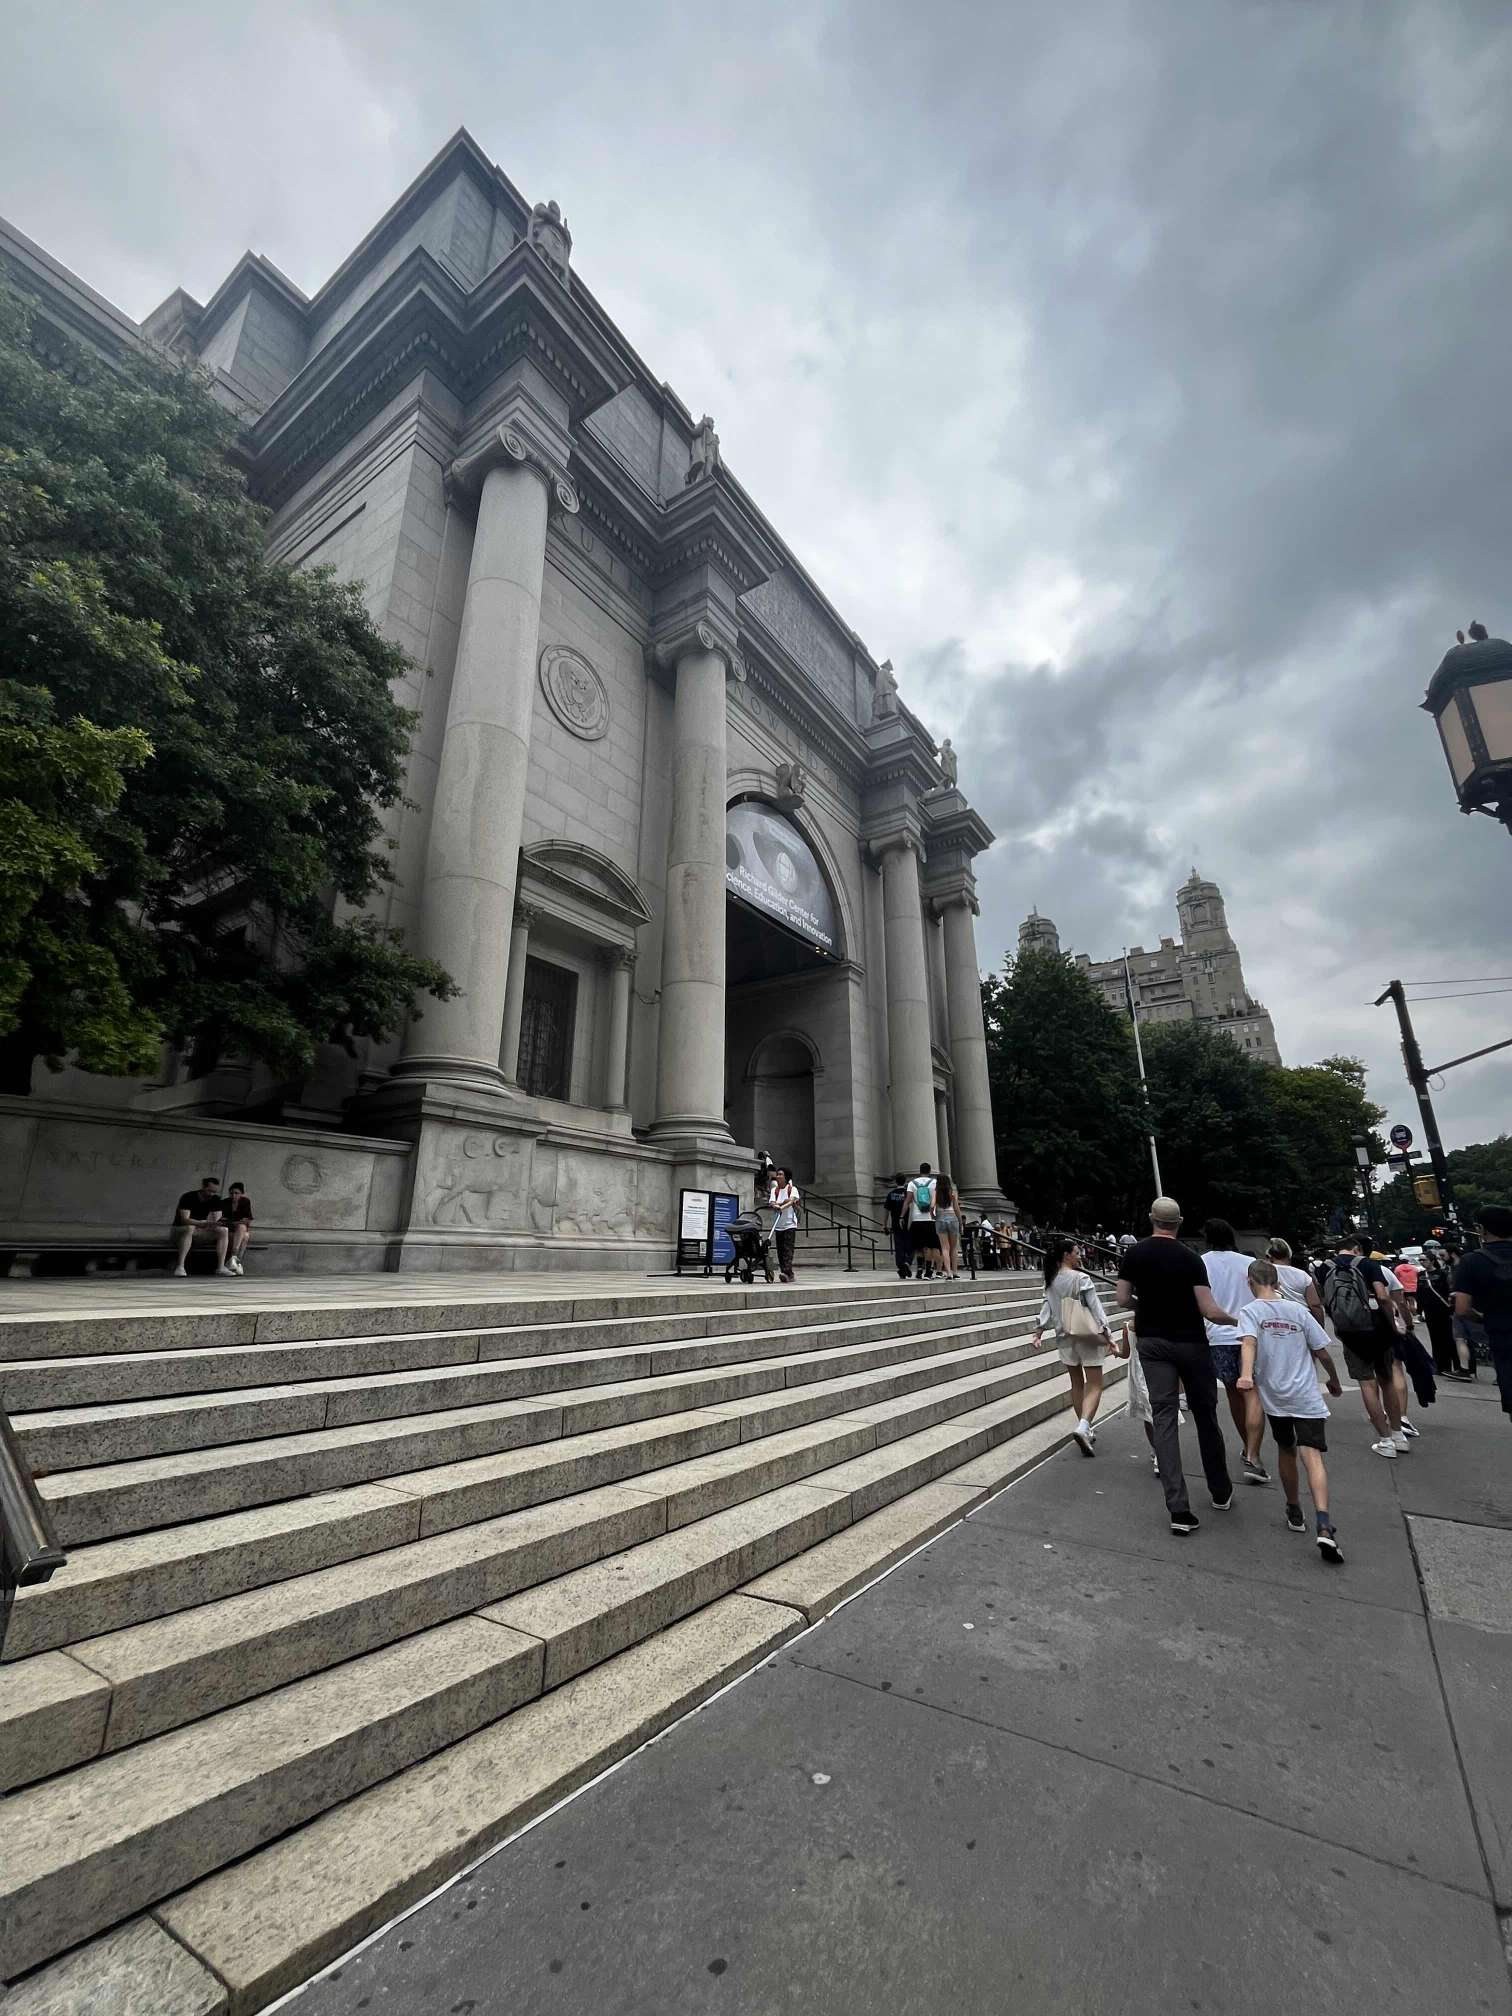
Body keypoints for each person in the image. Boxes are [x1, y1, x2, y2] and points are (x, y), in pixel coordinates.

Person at [1116, 1197, 1239, 1536]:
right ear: (1179, 1222)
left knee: (1164, 1418)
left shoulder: (1134, 1254)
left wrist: (1148, 1305)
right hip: (1191, 1342)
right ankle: (1220, 1490)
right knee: (1206, 1415)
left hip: (1153, 1342)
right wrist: (1237, 1320)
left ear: (1151, 1218)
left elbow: (1123, 1299)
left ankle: (1178, 1508)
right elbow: (1208, 1309)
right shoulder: (1191, 1258)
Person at [1236, 1260, 1345, 1565]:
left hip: (1276, 1397)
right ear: (1278, 1283)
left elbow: (1248, 1343)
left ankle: (1294, 1507)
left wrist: (1246, 1374)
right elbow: (1322, 1351)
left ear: (1249, 1283)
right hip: (1306, 1395)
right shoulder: (1298, 1311)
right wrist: (1334, 1380)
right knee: (1313, 1456)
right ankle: (1324, 1522)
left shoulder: (1250, 1312)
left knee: (1286, 1449)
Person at [1318, 1235, 1406, 1457]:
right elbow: (1383, 1297)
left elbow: (1323, 1300)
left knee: (1367, 1384)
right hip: (1378, 1330)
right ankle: (1398, 1435)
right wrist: (1395, 1324)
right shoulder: (1369, 1264)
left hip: (1350, 1334)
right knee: (1387, 1381)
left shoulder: (1323, 1268)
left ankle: (1385, 1441)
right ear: (1356, 1249)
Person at [1031, 1235, 1115, 1456]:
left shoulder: (1050, 1280)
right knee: (1095, 1384)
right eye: (1077, 1253)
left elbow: (1046, 1308)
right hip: (1086, 1334)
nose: (1080, 1256)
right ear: (1066, 1255)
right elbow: (1095, 1308)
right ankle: (1084, 1426)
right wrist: (1108, 1334)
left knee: (1076, 1383)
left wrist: (1038, 1331)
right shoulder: (1081, 1278)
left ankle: (1084, 1427)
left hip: (1064, 1335)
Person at [1201, 1219, 1270, 1485]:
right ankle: (1253, 1453)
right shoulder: (1248, 1263)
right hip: (1249, 1333)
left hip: (1218, 1335)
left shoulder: (1202, 1262)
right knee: (1253, 1394)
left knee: (1233, 1393)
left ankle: (1245, 1444)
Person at [1453, 1205, 1512, 1423]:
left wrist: (1482, 1317)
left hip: (1502, 1333)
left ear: (1481, 1230)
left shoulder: (1472, 1261)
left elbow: (1462, 1308)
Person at [1419, 1242, 1465, 1378]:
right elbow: (1419, 1292)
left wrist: (1450, 1307)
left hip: (1443, 1310)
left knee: (1448, 1338)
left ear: (1431, 1260)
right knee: (1435, 1338)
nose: (1422, 1262)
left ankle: (1456, 1366)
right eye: (1420, 1260)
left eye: (1424, 1260)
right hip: (1429, 1311)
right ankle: (1439, 1365)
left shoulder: (1442, 1274)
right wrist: (1419, 1309)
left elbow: (1447, 1290)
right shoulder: (1420, 1275)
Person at [172, 1175, 232, 1278]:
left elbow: (217, 1220)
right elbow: (185, 1220)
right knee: (190, 1227)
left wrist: (217, 1223)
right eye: (209, 1191)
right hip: (180, 1230)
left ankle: (221, 1267)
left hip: (200, 1230)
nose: (212, 1194)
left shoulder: (215, 1199)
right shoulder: (188, 1197)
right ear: (203, 1187)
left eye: (214, 1191)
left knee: (223, 1230)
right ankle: (180, 1266)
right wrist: (201, 1223)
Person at [1266, 1238, 1329, 1325]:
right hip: (1302, 1320)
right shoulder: (1302, 1275)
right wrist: (1320, 1326)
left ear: (1269, 1255)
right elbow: (1315, 1304)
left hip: (1275, 1321)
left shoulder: (1264, 1273)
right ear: (1289, 1254)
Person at [903, 1163, 941, 1279]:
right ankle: (928, 1271)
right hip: (930, 1219)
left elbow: (907, 1201)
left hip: (916, 1218)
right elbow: (937, 1200)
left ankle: (919, 1270)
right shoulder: (934, 1182)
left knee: (918, 1246)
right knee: (929, 1246)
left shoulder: (912, 1183)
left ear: (920, 1171)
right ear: (929, 1171)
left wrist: (901, 1216)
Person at [767, 1167, 801, 1284]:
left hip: (789, 1224)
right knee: (780, 1250)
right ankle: (787, 1273)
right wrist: (777, 1205)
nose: (778, 1176)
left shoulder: (792, 1189)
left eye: (781, 1174)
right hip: (778, 1224)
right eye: (778, 1174)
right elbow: (772, 1202)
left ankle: (787, 1273)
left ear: (786, 1177)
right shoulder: (774, 1190)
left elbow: (791, 1201)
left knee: (787, 1249)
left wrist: (780, 1206)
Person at [882, 1174, 912, 1281]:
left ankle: (901, 1266)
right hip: (908, 1223)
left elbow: (886, 1211)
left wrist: (884, 1224)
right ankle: (907, 1262)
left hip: (895, 1223)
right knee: (911, 1245)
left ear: (895, 1182)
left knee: (899, 1246)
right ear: (905, 1181)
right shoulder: (908, 1193)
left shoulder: (891, 1194)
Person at [935, 1173, 964, 1280]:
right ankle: (955, 1272)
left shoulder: (936, 1192)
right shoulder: (952, 1192)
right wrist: (961, 1222)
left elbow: (932, 1207)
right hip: (952, 1219)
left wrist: (933, 1216)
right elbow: (956, 1208)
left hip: (940, 1219)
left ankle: (948, 1273)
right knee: (954, 1247)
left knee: (944, 1248)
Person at [223, 1181, 254, 1275]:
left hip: (239, 1229)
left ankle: (233, 1259)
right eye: (231, 1193)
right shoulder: (225, 1202)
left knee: (243, 1231)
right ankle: (237, 1263)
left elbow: (248, 1219)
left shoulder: (245, 1201)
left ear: (242, 1194)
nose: (233, 1195)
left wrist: (235, 1222)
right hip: (228, 1230)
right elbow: (223, 1220)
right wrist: (237, 1221)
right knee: (245, 1236)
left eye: (236, 1193)